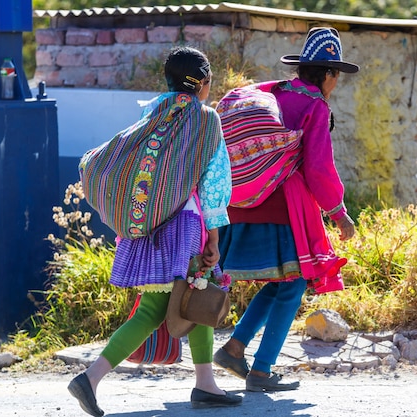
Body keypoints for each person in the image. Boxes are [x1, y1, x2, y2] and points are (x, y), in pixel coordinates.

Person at [67, 46, 241, 416]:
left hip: (149, 226)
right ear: (205, 83)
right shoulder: (206, 119)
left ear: (168, 81)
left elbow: (110, 156)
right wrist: (213, 235)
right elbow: (213, 182)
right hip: (184, 225)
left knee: (189, 301)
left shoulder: (153, 113)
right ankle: (91, 377)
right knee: (171, 304)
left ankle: (205, 383)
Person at [214, 27, 358, 392]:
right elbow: (318, 168)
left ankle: (234, 348)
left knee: (283, 284)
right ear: (328, 74)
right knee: (293, 284)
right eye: (335, 75)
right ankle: (261, 371)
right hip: (282, 208)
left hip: (243, 201)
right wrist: (338, 213)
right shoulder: (315, 106)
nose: (335, 82)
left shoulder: (272, 92)